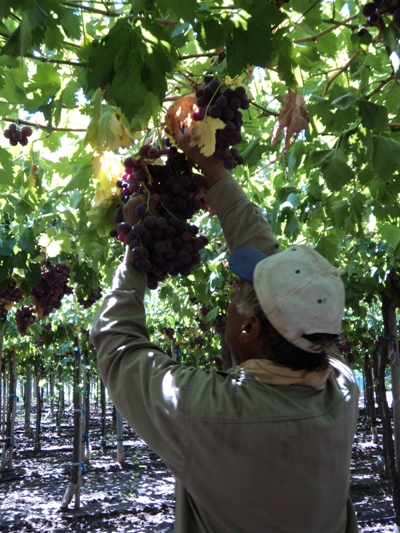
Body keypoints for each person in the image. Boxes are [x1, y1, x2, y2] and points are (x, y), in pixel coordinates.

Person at [90, 129, 360, 533]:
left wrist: (135, 251)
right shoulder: (341, 387)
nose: (233, 289)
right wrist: (215, 173)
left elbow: (118, 344)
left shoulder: (205, 411)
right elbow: (268, 256)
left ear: (249, 327)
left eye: (240, 290)